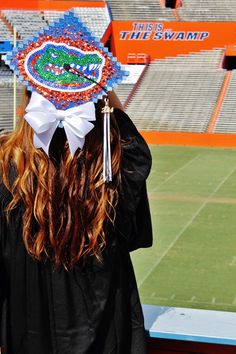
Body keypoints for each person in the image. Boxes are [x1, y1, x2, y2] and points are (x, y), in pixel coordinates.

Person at [0, 11, 152, 354]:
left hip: (29, 333)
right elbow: (136, 232)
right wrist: (101, 86)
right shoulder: (114, 170)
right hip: (105, 336)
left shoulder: (7, 170)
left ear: (28, 100)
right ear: (99, 106)